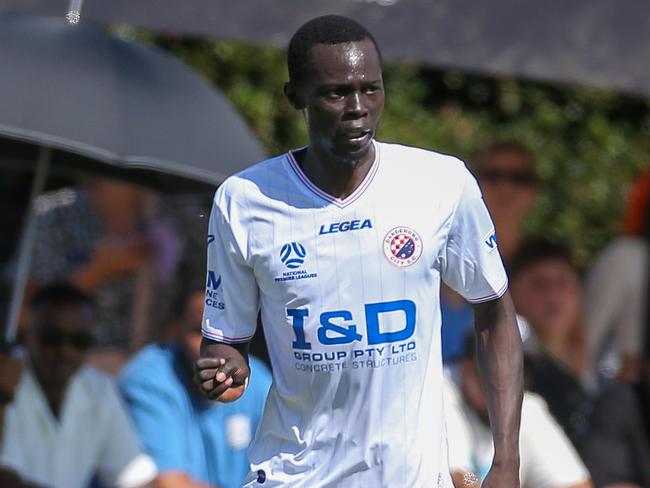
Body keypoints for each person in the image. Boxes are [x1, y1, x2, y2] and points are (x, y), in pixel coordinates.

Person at [194, 15, 523, 487]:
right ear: (295, 98)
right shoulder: (244, 201)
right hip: (295, 475)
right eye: (336, 93)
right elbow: (225, 341)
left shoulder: (440, 184)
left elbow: (494, 311)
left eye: (371, 89)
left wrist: (507, 461)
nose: (358, 107)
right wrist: (224, 369)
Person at [510, 239, 650, 488]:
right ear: (512, 293)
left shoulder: (597, 366)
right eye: (539, 285)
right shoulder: (516, 368)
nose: (553, 296)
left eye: (563, 283)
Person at [0, 282, 157, 488]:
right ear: (27, 336)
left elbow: (137, 479)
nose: (66, 351)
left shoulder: (99, 389)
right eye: (51, 338)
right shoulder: (6, 379)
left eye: (79, 341)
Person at [120, 288, 272, 488]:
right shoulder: (147, 380)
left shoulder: (259, 380)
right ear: (174, 331)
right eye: (199, 332)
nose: (214, 348)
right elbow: (167, 484)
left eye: (227, 333)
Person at [28, 178, 182, 374]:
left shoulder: (176, 214)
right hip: (71, 375)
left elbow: (203, 299)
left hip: (153, 376)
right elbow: (23, 315)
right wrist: (98, 271)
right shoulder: (54, 213)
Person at [445, 332, 592, 488]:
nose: (506, 385)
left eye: (516, 371)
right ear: (466, 368)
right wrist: (475, 483)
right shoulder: (440, 394)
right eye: (495, 370)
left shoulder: (527, 406)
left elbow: (578, 484)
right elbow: (459, 477)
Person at [441, 141, 539, 363]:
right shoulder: (443, 255)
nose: (505, 187)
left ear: (534, 191)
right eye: (493, 176)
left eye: (519, 178)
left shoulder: (548, 269)